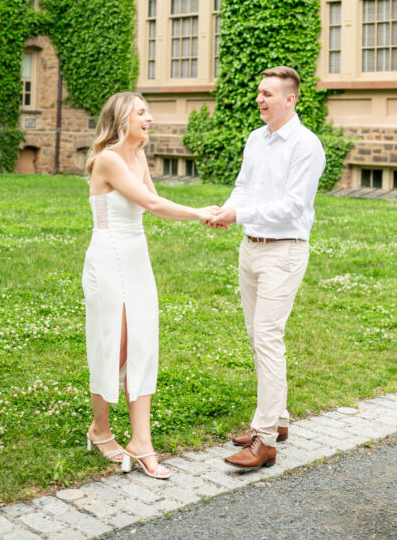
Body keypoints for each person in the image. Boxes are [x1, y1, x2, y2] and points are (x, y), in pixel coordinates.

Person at [83, 91, 220, 479]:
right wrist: (200, 212)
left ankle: (141, 442)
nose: (150, 118)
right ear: (122, 118)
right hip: (108, 259)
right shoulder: (108, 158)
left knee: (142, 343)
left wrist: (206, 214)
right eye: (142, 112)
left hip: (136, 257)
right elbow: (154, 205)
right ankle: (100, 430)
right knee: (115, 344)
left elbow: (153, 203)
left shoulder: (138, 154)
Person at [207, 66, 325, 471]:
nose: (259, 99)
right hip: (250, 248)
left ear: (290, 99)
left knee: (268, 338)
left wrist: (239, 213)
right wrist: (228, 209)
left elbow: (293, 206)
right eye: (259, 93)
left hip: (284, 251)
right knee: (257, 338)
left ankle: (265, 441)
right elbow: (243, 184)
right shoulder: (256, 138)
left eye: (267, 94)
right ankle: (278, 420)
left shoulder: (307, 145)